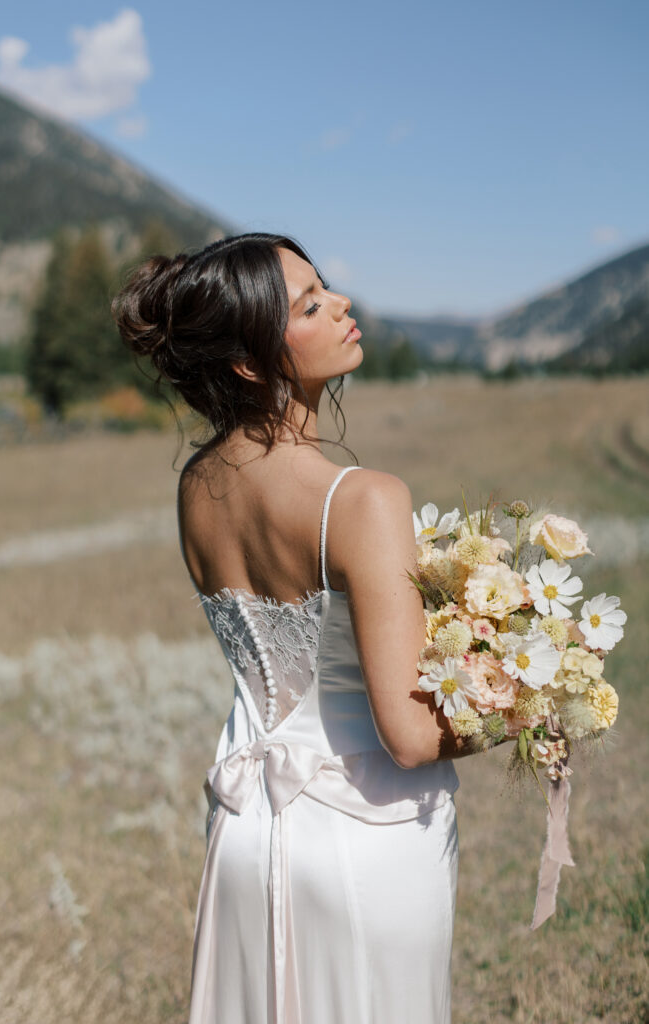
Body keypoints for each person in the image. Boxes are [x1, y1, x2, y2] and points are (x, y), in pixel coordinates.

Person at [112, 233, 472, 1024]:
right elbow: (409, 738)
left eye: (324, 288)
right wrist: (528, 704)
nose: (341, 304)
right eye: (309, 306)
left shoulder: (196, 486)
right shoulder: (363, 500)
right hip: (367, 836)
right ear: (248, 363)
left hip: (245, 828)